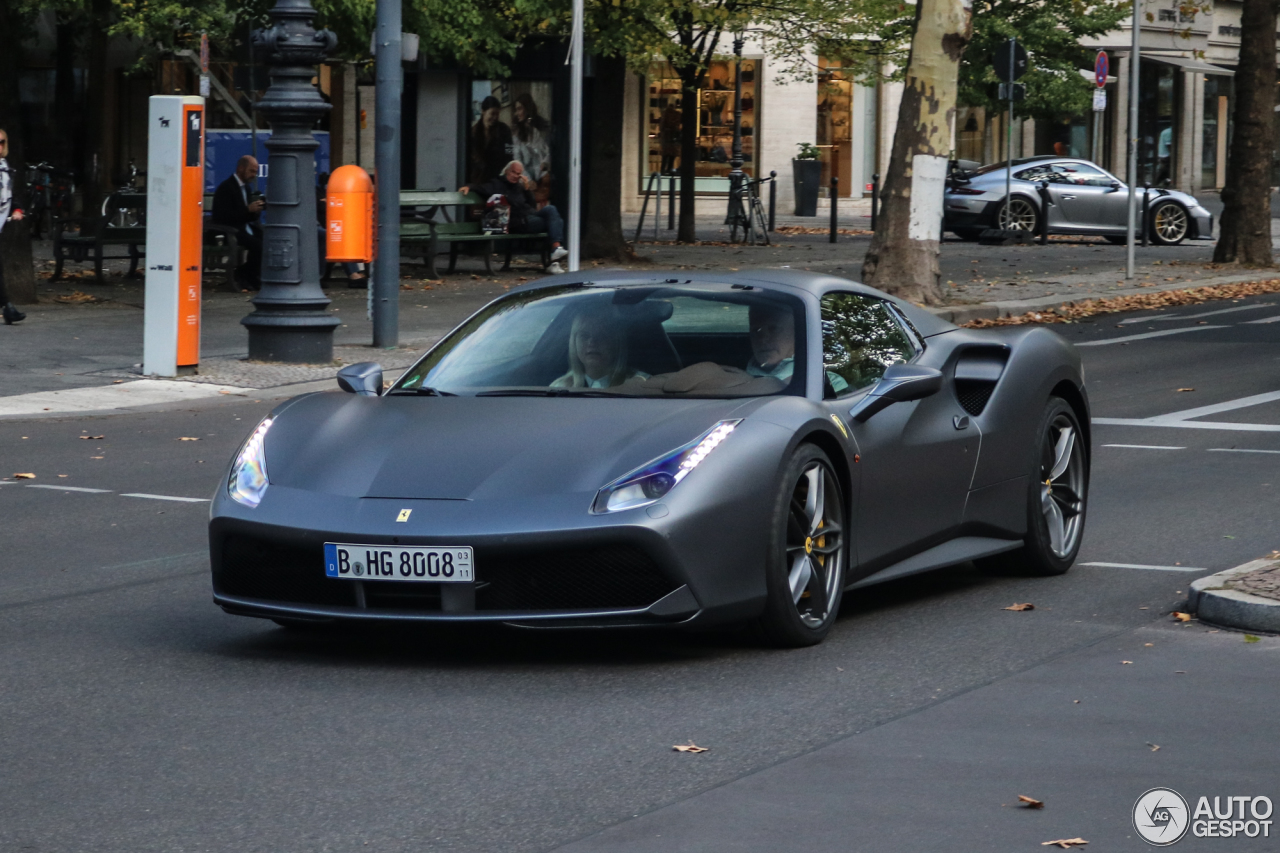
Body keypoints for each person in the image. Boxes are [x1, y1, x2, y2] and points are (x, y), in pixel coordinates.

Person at [461, 160, 569, 273]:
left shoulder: (519, 187)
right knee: (556, 221)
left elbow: (531, 205)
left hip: (530, 216)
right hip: (517, 222)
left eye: (518, 174)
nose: (515, 176)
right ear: (507, 171)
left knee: (551, 210)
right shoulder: (496, 184)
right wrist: (468, 187)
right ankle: (554, 260)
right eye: (513, 172)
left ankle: (556, 252)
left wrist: (527, 189)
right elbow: (480, 188)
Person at [745, 303, 848, 393]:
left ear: (796, 334)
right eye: (756, 330)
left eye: (773, 329)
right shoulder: (733, 380)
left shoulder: (828, 383)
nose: (763, 339)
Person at [551, 307, 649, 388]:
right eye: (584, 336)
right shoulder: (559, 388)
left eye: (602, 335)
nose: (592, 342)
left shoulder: (643, 384)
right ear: (574, 343)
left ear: (616, 342)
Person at [211, 155, 265, 289]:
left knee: (270, 240)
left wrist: (256, 210)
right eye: (251, 171)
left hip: (243, 228)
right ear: (241, 169)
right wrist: (248, 210)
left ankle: (244, 274)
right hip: (230, 230)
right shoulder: (226, 187)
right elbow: (223, 216)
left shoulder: (246, 188)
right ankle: (246, 276)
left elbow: (247, 216)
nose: (254, 175)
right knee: (258, 246)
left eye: (255, 172)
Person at [0, 128, 26, 325]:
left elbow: (9, 193)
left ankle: (7, 308)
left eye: (1, 142)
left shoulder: (5, 167)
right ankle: (8, 307)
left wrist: (16, 209)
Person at [512, 93, 552, 206]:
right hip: (528, 179)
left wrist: (545, 163)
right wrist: (528, 180)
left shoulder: (542, 129)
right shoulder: (517, 134)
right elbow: (517, 161)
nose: (517, 113)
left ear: (527, 109)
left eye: (519, 109)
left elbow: (550, 151)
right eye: (516, 110)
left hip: (543, 177)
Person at [468, 95, 514, 186]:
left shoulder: (504, 130)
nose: (495, 117)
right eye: (492, 113)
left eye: (497, 114)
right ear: (483, 111)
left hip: (498, 181)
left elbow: (510, 155)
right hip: (477, 182)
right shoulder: (473, 133)